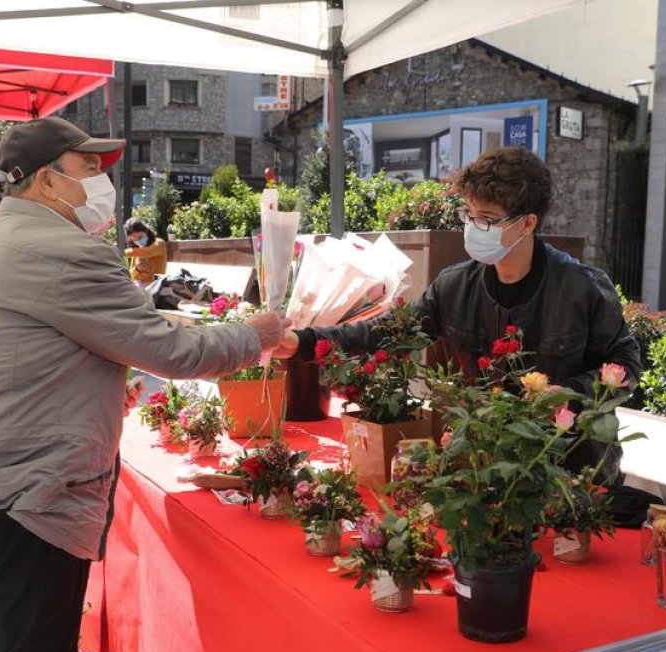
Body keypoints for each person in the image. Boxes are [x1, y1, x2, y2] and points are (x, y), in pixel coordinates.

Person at [0, 116, 291, 652]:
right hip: (27, 499)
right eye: (88, 169)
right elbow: (173, 353)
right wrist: (256, 335)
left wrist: (83, 385)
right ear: (46, 182)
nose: (103, 184)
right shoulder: (61, 249)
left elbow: (14, 359)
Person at [273, 146, 641, 480]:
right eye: (469, 214)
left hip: (572, 474)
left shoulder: (583, 288)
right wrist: (303, 342)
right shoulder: (454, 286)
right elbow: (387, 332)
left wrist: (571, 393)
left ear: (527, 223)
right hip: (484, 469)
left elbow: (627, 363)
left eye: (487, 218)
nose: (473, 227)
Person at [123, 217, 167, 285]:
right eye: (134, 240)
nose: (137, 241)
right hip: (138, 287)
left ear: (146, 231)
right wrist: (137, 269)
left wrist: (122, 253)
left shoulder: (159, 243)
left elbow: (148, 252)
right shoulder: (136, 251)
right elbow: (131, 275)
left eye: (140, 237)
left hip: (155, 286)